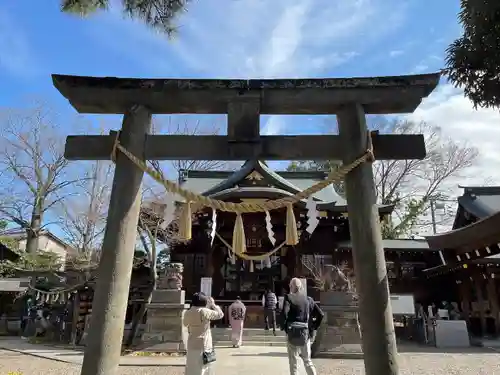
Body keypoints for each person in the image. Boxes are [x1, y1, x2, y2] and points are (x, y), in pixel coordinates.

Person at [280, 278, 324, 375]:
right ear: (301, 287)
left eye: (290, 286)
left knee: (293, 361)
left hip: (292, 331)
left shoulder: (288, 298)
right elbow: (321, 315)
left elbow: (284, 314)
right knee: (307, 361)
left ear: (291, 287)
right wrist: (313, 327)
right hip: (305, 332)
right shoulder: (309, 300)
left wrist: (283, 327)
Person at [183, 292, 224, 375]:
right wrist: (213, 305)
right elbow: (220, 314)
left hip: (191, 343)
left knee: (191, 367)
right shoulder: (204, 311)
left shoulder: (187, 312)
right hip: (204, 344)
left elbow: (185, 323)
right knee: (204, 368)